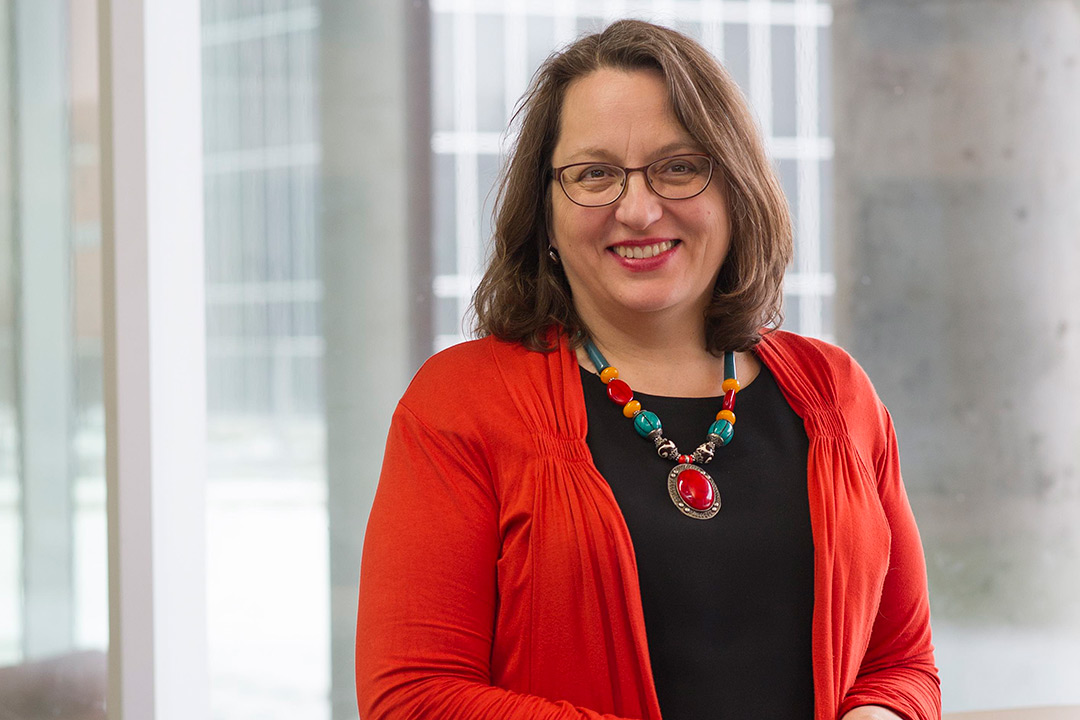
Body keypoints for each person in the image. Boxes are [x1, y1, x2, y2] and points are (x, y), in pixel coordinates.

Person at [355, 19, 939, 720]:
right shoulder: (461, 403)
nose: (638, 208)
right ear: (545, 207)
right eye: (594, 174)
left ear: (735, 186)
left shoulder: (839, 395)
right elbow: (412, 698)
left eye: (679, 166)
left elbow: (901, 663)